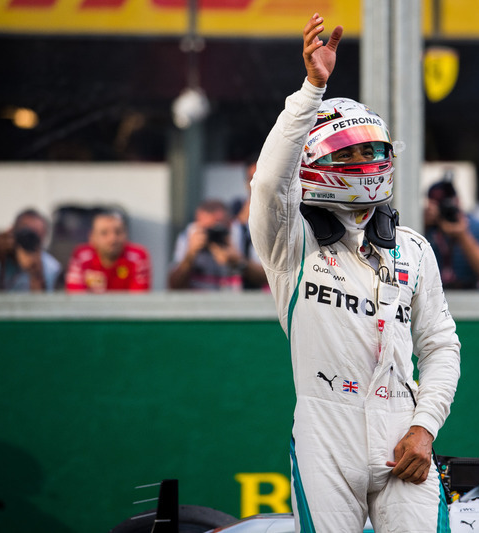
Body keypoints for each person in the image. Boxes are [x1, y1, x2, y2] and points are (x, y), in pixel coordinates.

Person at [248, 13, 460, 532]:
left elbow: (441, 346)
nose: (370, 160)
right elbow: (270, 181)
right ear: (318, 158)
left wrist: (424, 427)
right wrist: (311, 89)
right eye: (354, 150)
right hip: (325, 432)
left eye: (375, 150)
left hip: (403, 437)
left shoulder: (412, 249)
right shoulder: (290, 245)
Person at [424, 178, 479, 289]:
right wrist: (424, 225)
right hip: (432, 293)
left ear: (458, 201)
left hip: (469, 294)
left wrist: (463, 236)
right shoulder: (426, 227)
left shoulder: (475, 227)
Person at [64, 210, 150, 292]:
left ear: (125, 234)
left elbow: (138, 301)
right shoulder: (81, 256)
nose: (112, 239)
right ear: (92, 237)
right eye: (104, 233)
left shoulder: (137, 257)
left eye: (118, 232)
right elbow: (75, 300)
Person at [168, 199, 245, 291]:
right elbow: (173, 286)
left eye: (218, 228)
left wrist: (238, 262)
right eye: (208, 229)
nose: (213, 234)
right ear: (197, 224)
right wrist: (190, 255)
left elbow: (263, 277)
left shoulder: (242, 234)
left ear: (229, 223)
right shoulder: (188, 236)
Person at [0, 209, 61, 292]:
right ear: (12, 230)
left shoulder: (50, 268)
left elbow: (41, 302)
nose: (28, 240)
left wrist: (36, 273)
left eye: (34, 235)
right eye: (25, 231)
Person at [229, 158, 268, 290]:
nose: (257, 184)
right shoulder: (234, 213)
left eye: (263, 178)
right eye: (252, 178)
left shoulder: (290, 215)